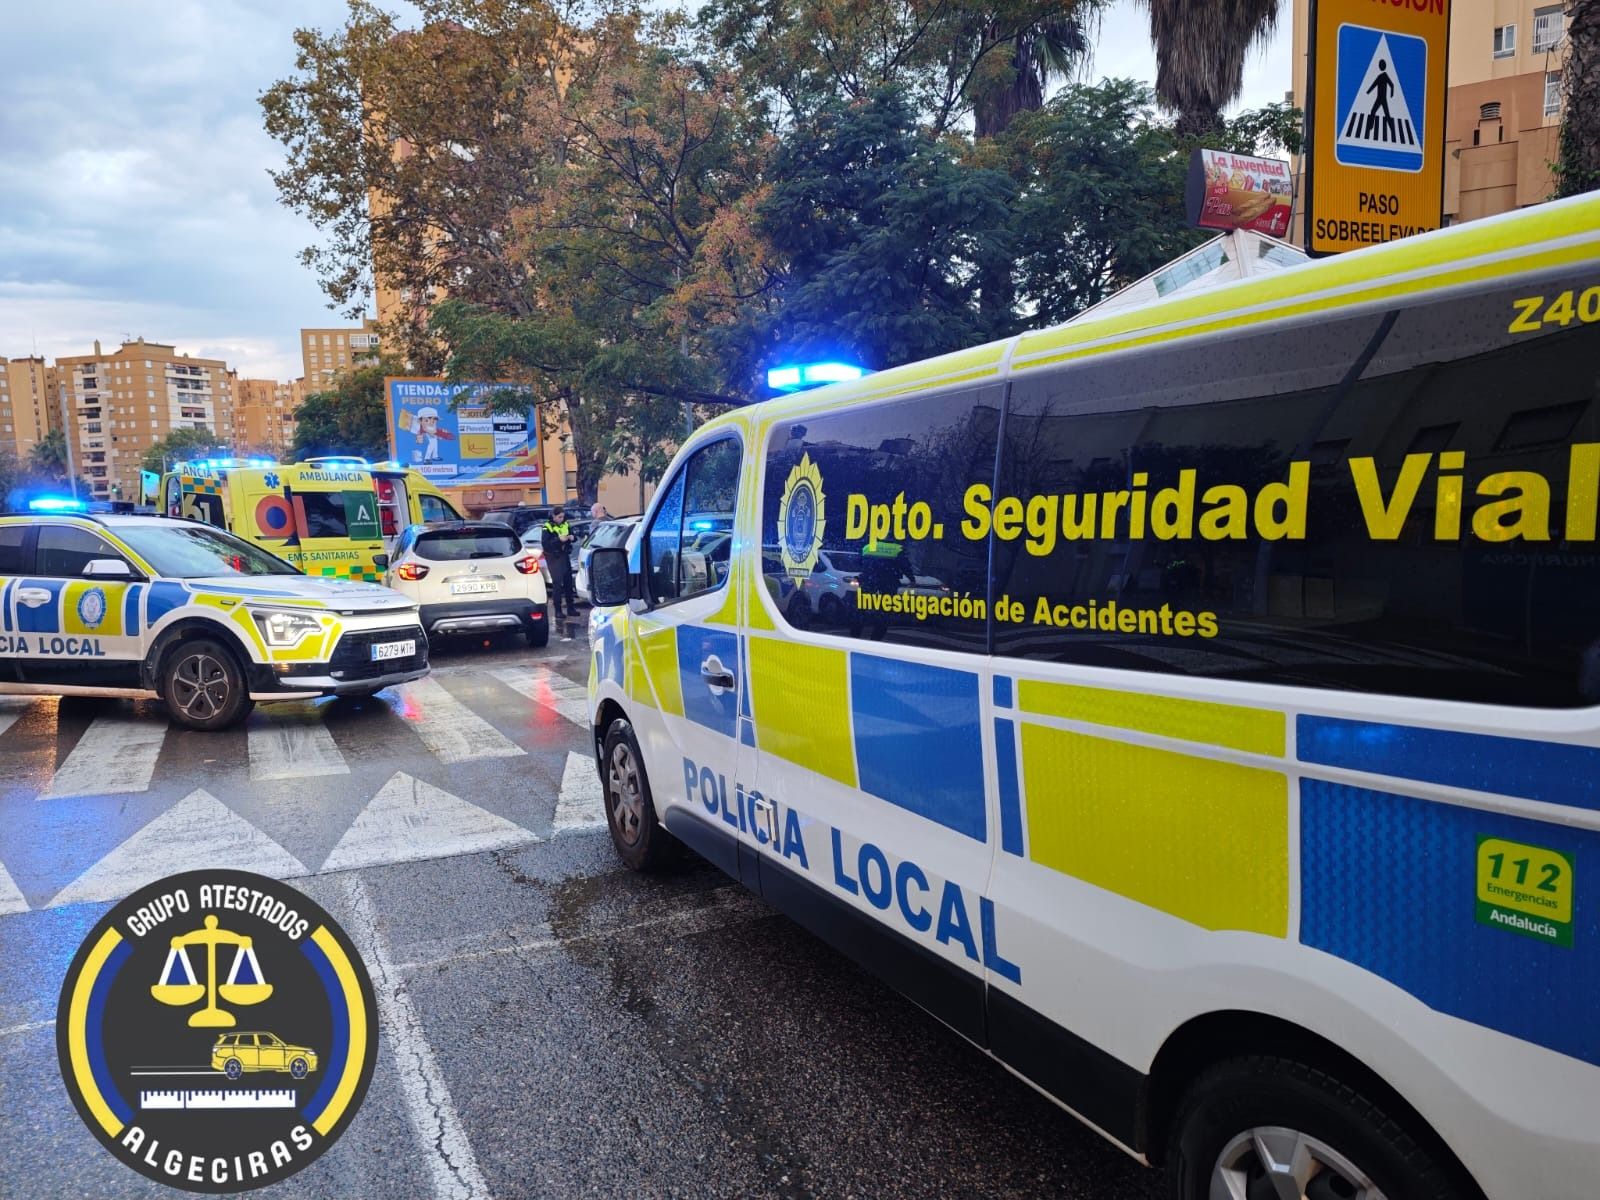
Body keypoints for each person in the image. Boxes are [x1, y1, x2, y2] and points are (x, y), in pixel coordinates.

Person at [541, 506, 578, 623]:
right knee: (557, 583)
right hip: (553, 556)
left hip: (564, 555)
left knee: (568, 582)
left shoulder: (566, 524)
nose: (562, 519)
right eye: (559, 517)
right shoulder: (547, 527)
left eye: (563, 516)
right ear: (553, 516)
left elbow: (573, 535)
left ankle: (571, 608)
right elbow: (546, 544)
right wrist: (558, 540)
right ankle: (558, 610)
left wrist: (572, 537)